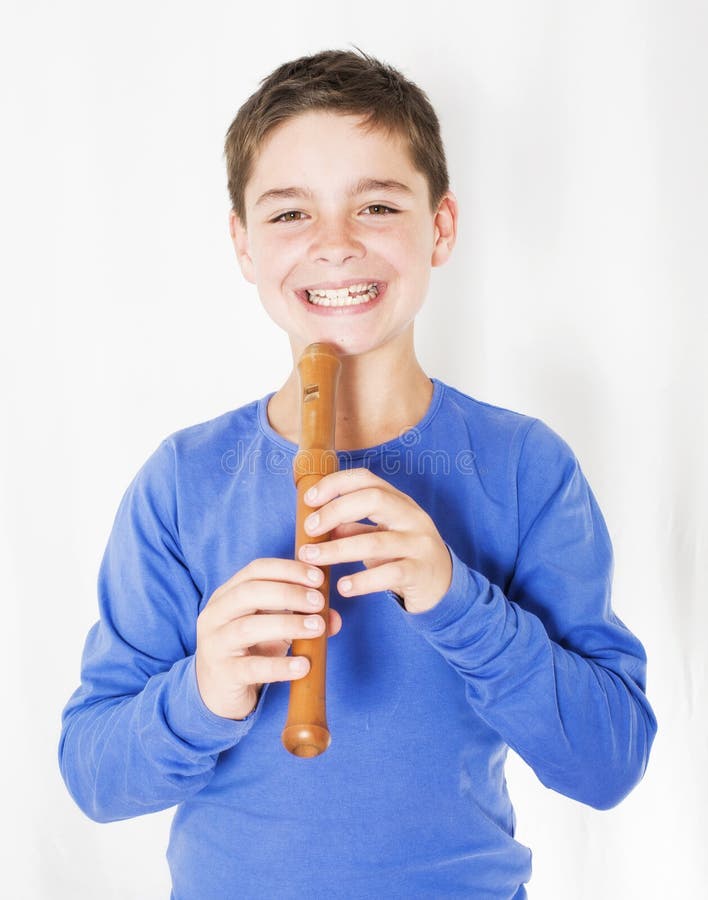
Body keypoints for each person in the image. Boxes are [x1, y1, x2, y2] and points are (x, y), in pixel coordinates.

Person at [59, 48, 657, 899]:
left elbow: (608, 765)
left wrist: (458, 599)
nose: (334, 246)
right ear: (242, 243)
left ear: (440, 227)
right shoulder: (183, 481)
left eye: (376, 206)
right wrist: (203, 690)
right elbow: (93, 778)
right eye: (289, 214)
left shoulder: (525, 466)